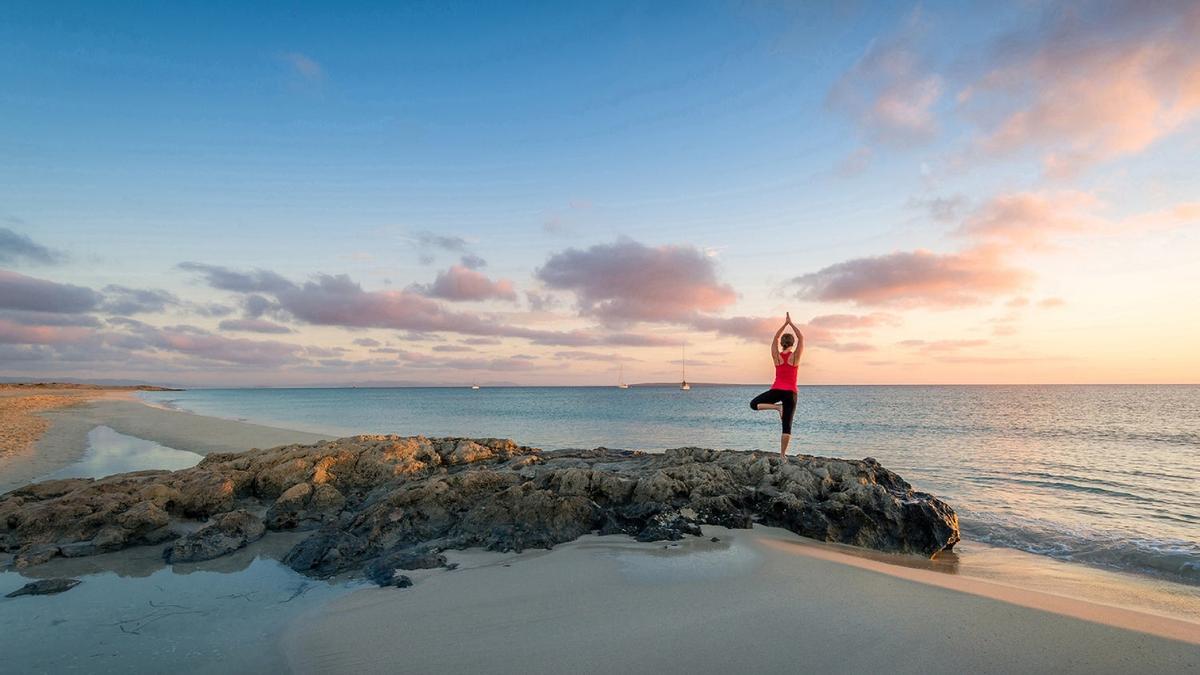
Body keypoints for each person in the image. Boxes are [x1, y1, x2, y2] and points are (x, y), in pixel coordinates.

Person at [750, 313, 803, 456]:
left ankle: (777, 407)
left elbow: (775, 338)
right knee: (787, 426)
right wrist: (790, 323)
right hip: (791, 393)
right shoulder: (795, 357)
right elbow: (801, 337)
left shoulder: (777, 356)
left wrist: (784, 325)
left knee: (753, 404)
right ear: (792, 344)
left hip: (777, 390)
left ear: (781, 343)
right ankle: (782, 455)